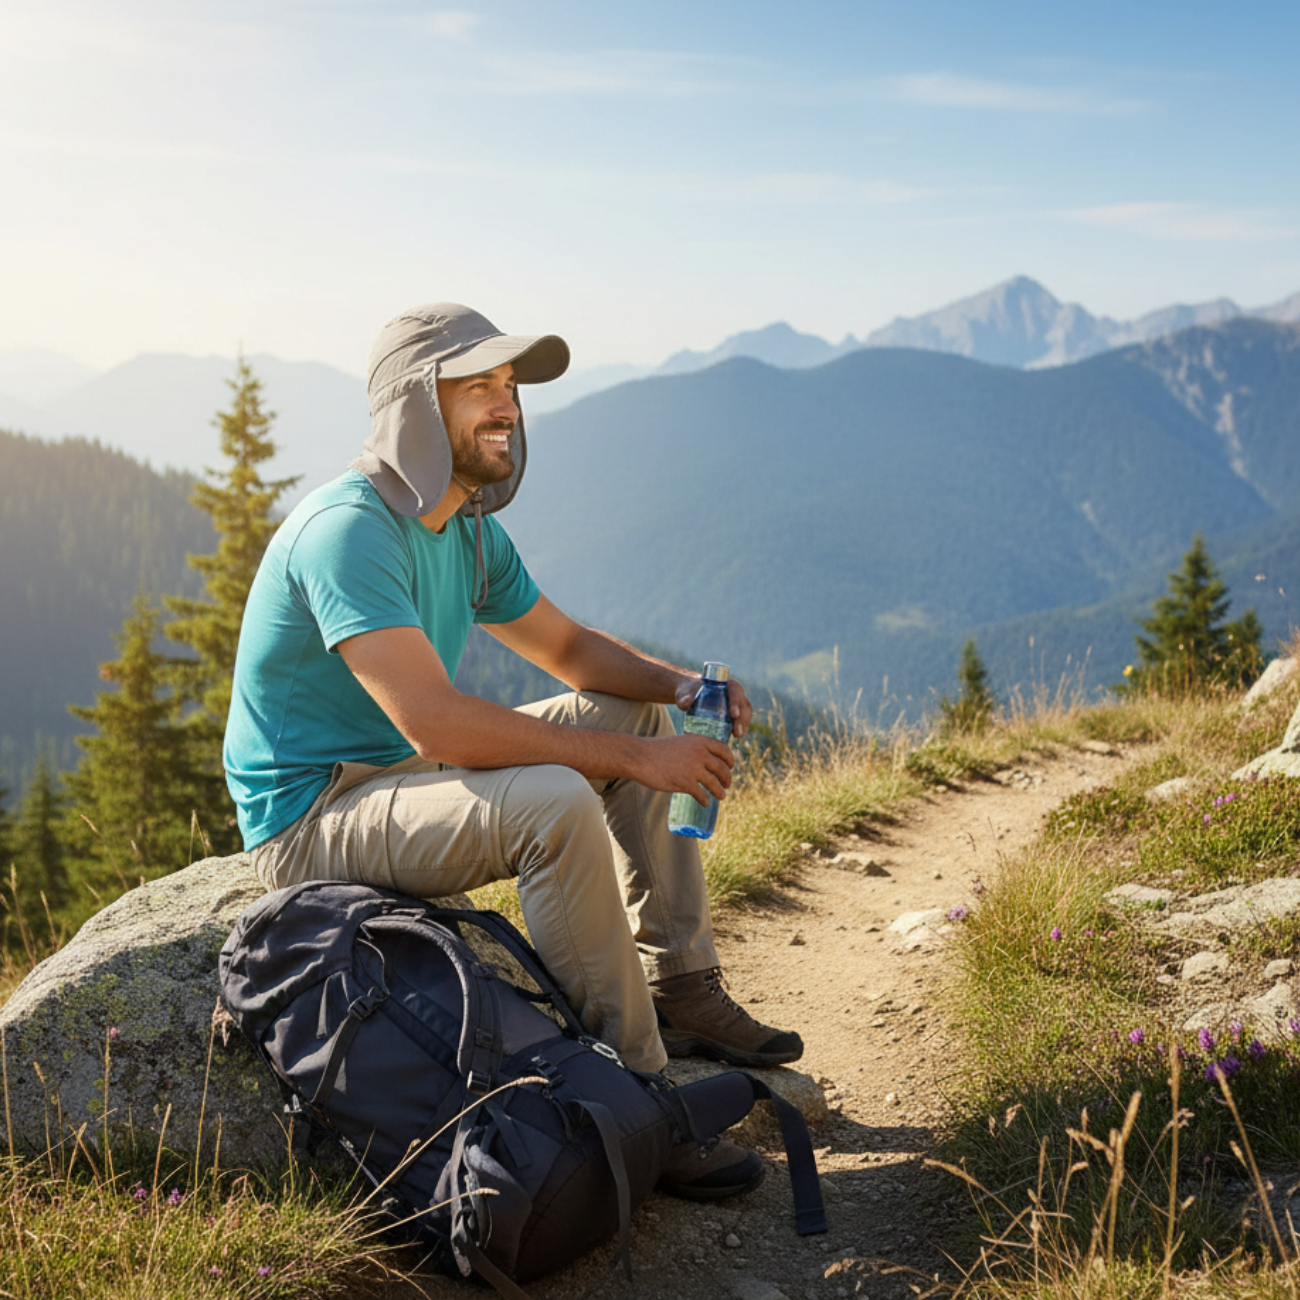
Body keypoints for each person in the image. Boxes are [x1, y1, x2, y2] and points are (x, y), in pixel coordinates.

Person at [224, 302, 802, 1197]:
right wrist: (635, 764)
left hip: (402, 779)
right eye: (480, 387)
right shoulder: (348, 532)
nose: (508, 407)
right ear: (415, 405)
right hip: (315, 817)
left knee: (631, 713)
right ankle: (636, 1094)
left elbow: (569, 651)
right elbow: (439, 725)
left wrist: (679, 689)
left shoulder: (464, 527)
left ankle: (681, 986)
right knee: (557, 797)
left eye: (510, 388)